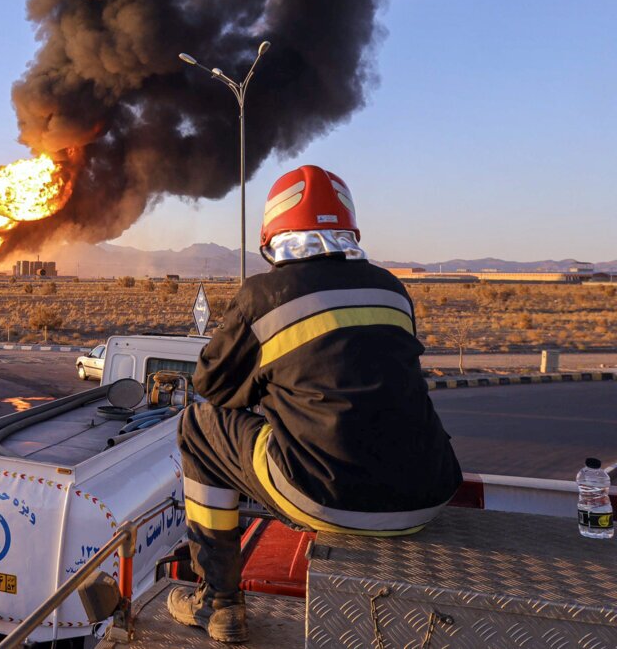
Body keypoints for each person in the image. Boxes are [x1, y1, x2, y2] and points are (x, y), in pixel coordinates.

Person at [169, 164, 462, 643]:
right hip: (428, 494)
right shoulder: (391, 289)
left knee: (199, 427)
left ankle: (216, 601)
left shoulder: (263, 295)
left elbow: (215, 388)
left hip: (328, 497)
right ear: (349, 229)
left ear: (275, 235)